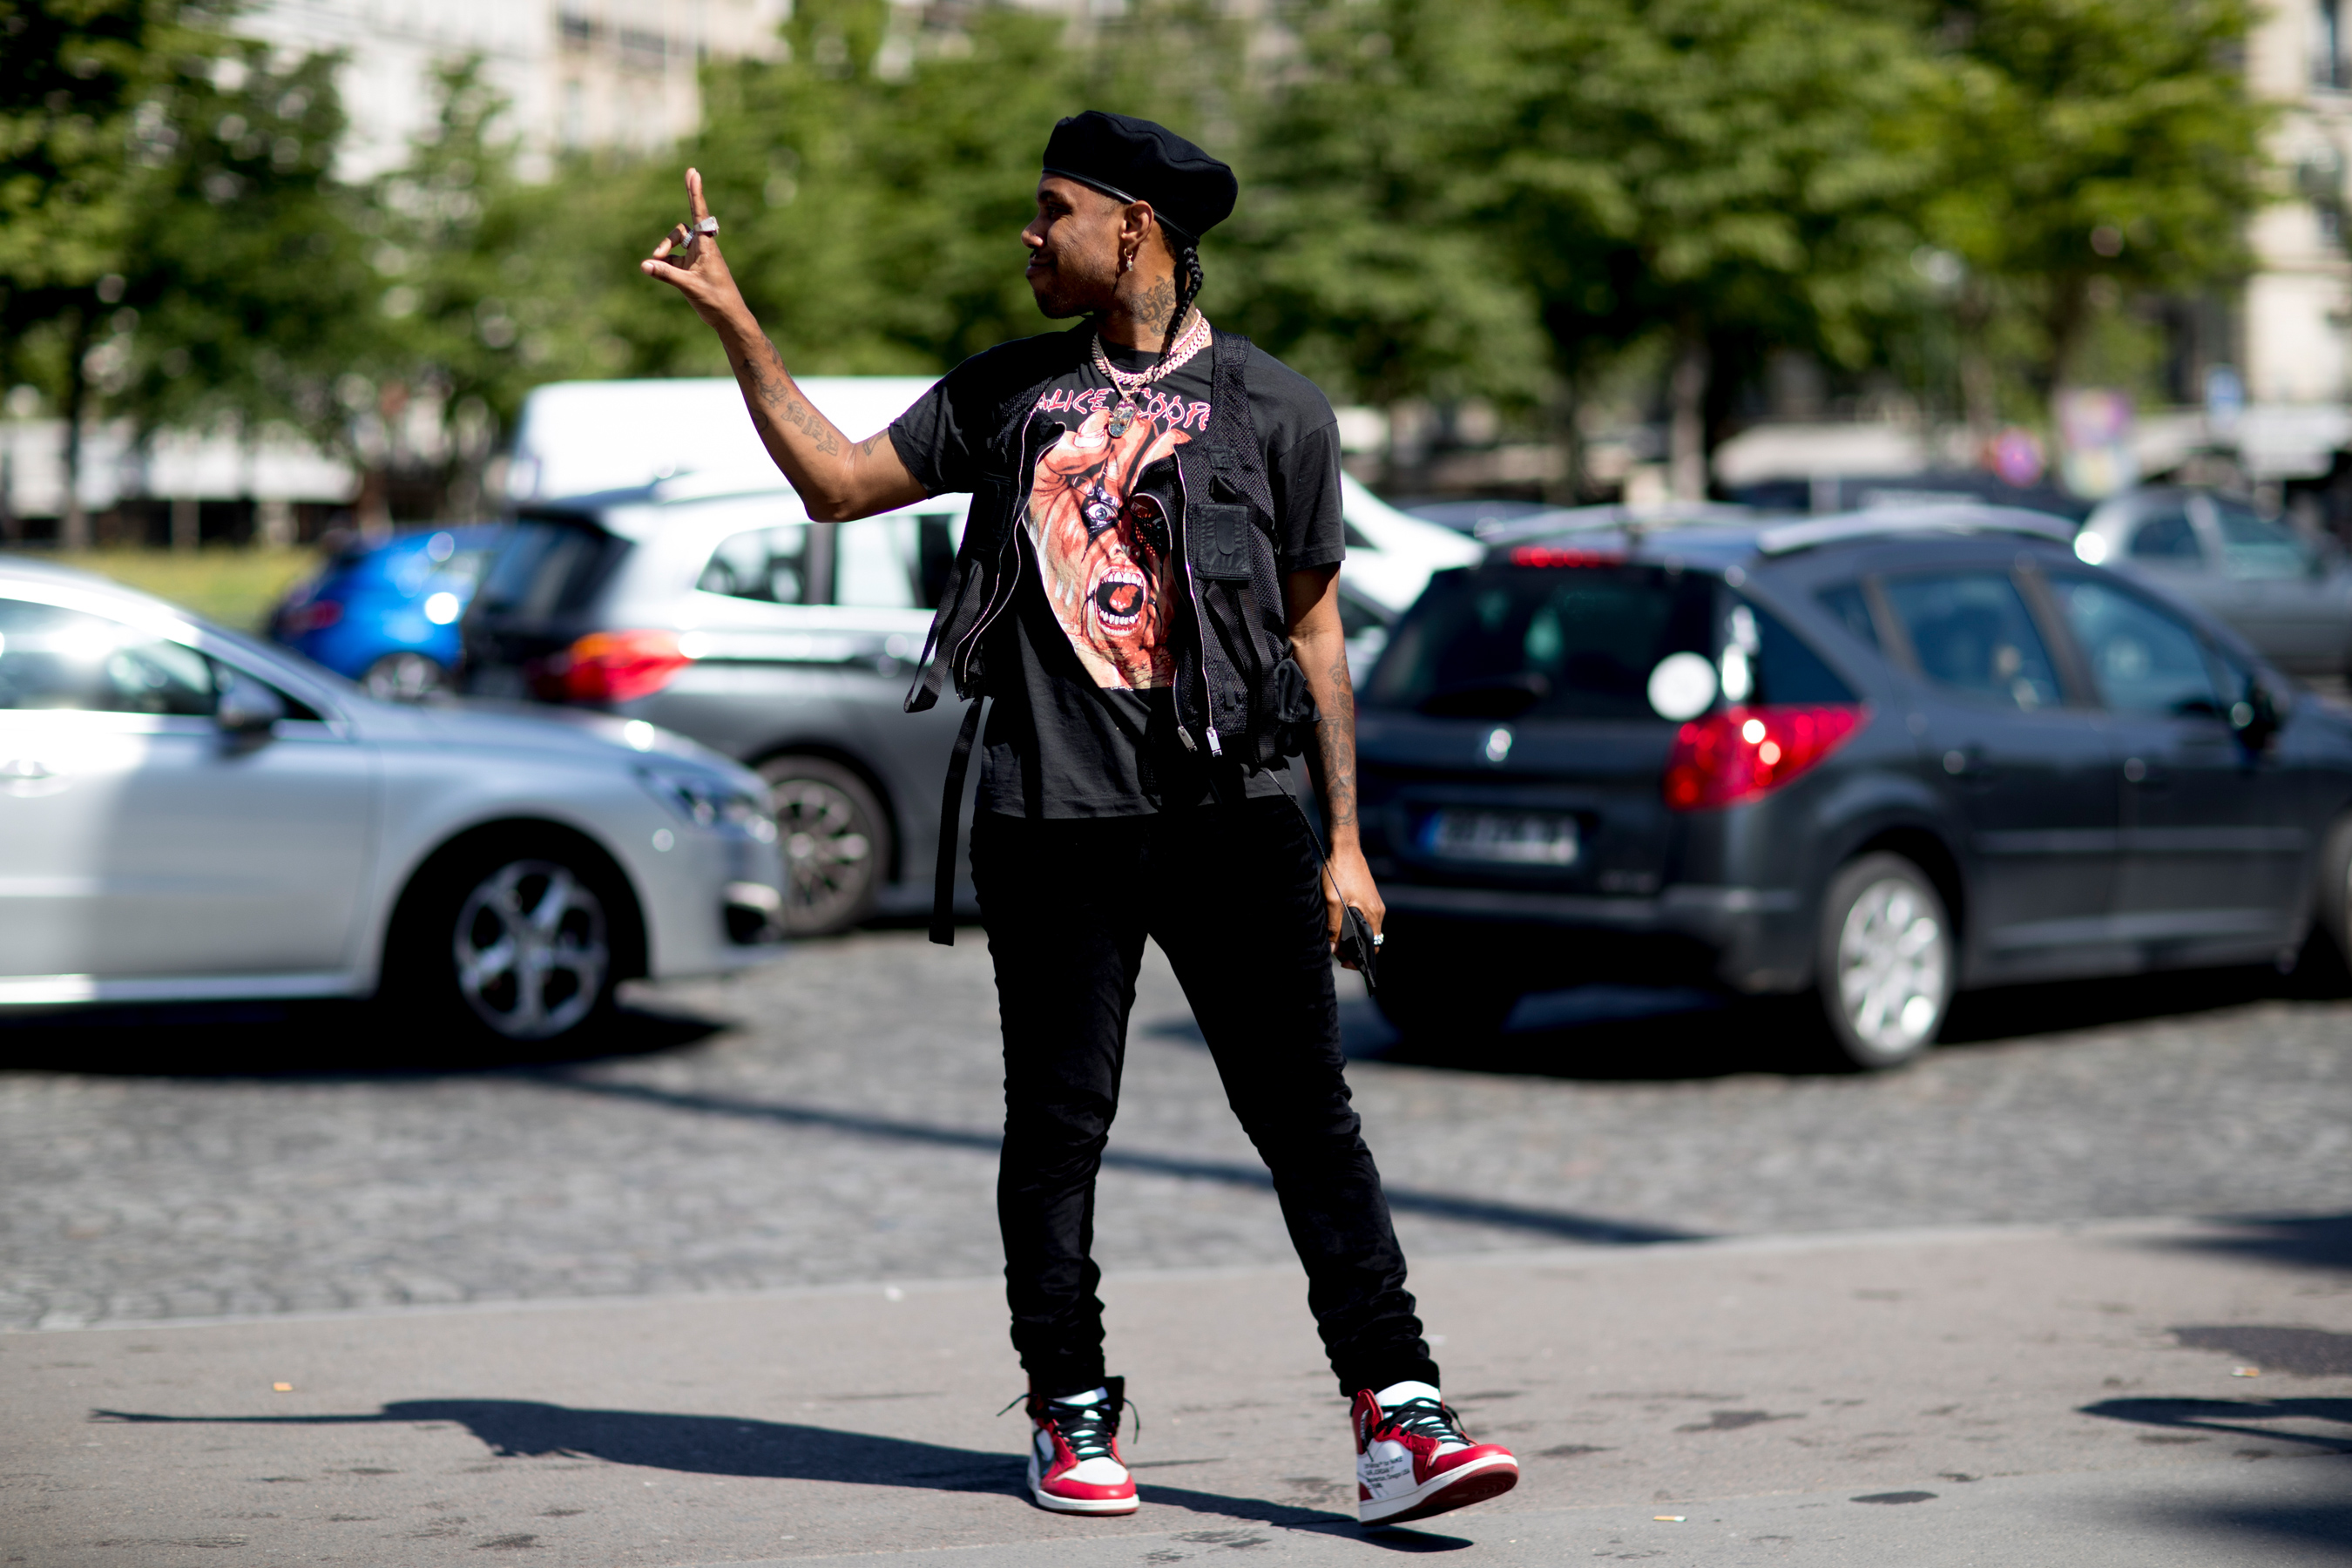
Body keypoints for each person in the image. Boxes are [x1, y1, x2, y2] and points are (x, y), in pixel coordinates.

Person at [641, 109, 1517, 1530]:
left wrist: (1347, 842)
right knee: (1058, 1128)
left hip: (1238, 816)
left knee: (1310, 1123)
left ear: (1134, 228)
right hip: (1051, 820)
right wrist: (737, 323)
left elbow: (1316, 636)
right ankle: (1069, 1405)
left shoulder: (1279, 409)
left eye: (1053, 210)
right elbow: (836, 484)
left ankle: (1398, 1413)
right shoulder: (1008, 394)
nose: (1030, 234)